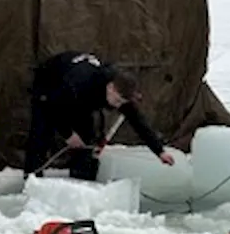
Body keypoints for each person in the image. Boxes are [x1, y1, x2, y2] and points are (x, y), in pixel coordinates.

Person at [24, 50, 176, 180]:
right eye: (116, 100)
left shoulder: (121, 92)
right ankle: (32, 179)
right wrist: (68, 134)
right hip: (50, 85)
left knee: (86, 137)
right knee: (41, 132)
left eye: (122, 102)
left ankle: (81, 178)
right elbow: (52, 107)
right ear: (110, 87)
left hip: (81, 98)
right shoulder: (79, 82)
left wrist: (160, 151)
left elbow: (138, 122)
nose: (118, 105)